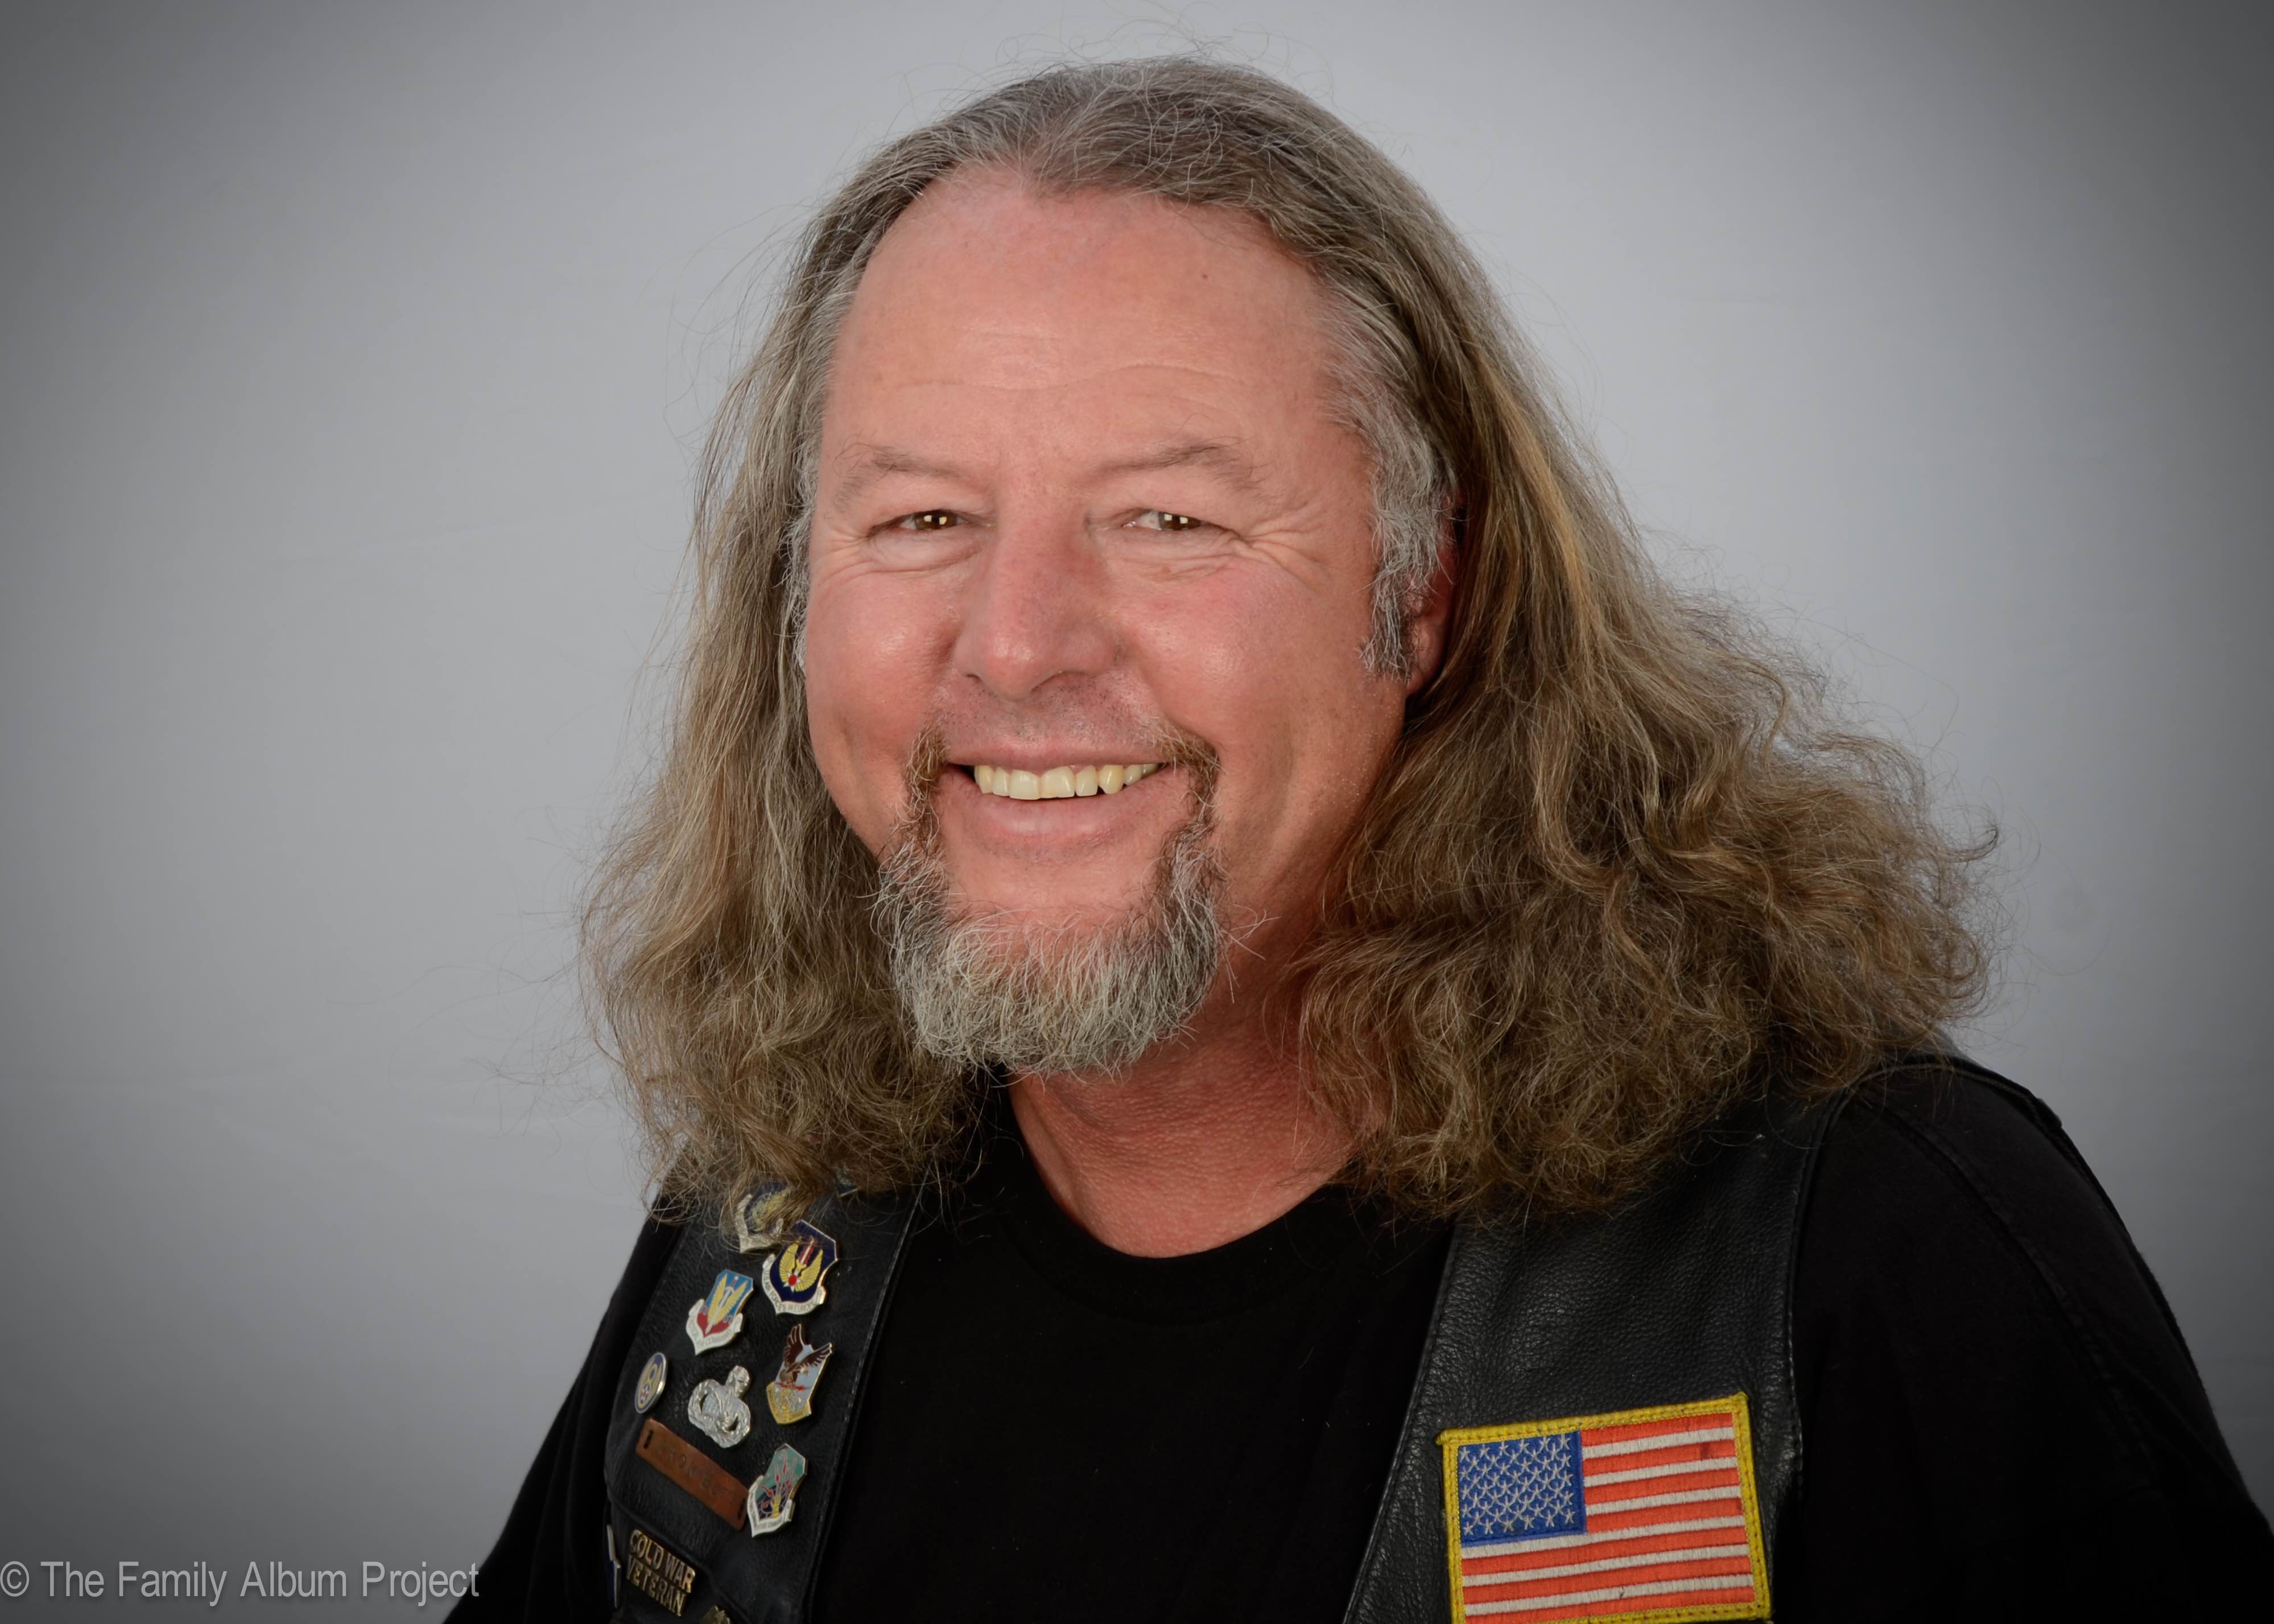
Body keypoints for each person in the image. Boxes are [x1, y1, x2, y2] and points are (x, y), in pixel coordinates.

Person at [456, 57, 2268, 1623]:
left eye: (1169, 518)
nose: (1014, 646)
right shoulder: (759, 1238)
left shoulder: (1880, 1252)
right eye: (922, 518)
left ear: (1422, 596)